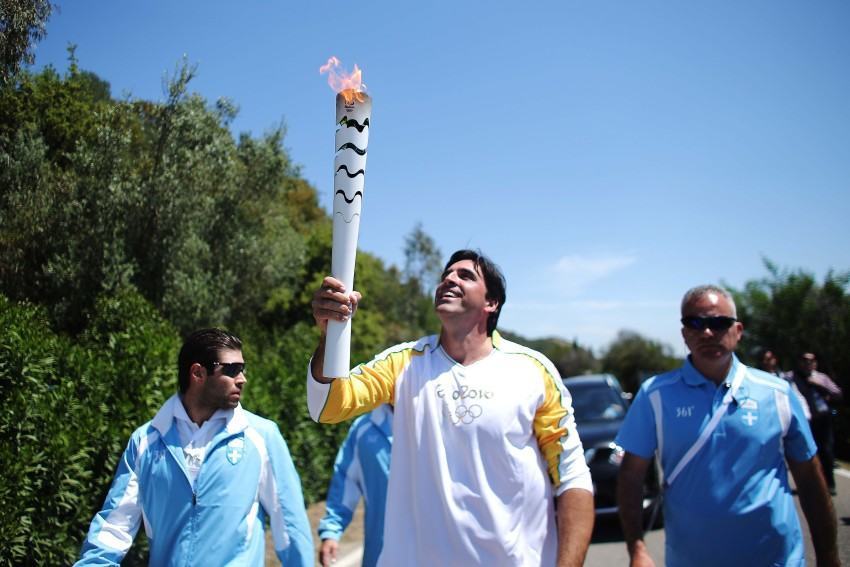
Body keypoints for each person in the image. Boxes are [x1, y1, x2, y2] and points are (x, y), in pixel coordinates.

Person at [307, 249, 594, 566]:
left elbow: (573, 479)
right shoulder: (405, 363)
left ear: (491, 303)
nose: (449, 280)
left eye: (465, 275)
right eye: (446, 275)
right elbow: (328, 405)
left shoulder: (532, 371)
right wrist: (330, 335)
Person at [616, 285, 839, 567]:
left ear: (738, 330)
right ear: (684, 334)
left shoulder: (778, 393)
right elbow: (631, 476)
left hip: (776, 559)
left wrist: (829, 557)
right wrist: (637, 548)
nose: (707, 333)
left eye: (718, 323)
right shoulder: (655, 395)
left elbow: (809, 478)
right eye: (695, 323)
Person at [76, 328, 313, 566]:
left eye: (242, 368)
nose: (242, 378)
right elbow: (114, 527)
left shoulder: (262, 436)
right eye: (231, 370)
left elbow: (290, 524)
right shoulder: (146, 441)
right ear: (198, 373)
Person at [318, 404, 392, 567]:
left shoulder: (435, 424)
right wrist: (332, 530)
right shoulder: (363, 430)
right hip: (379, 554)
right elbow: (345, 481)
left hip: (433, 552)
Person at [790, 352, 843, 495]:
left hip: (823, 418)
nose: (808, 363)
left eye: (811, 361)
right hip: (804, 420)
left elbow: (838, 393)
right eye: (804, 360)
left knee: (826, 450)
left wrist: (821, 387)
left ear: (815, 363)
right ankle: (811, 483)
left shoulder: (821, 378)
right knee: (807, 451)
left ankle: (829, 483)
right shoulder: (791, 378)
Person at [758, 347, 811, 419]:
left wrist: (806, 414)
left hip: (790, 414)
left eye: (770, 358)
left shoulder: (785, 378)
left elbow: (797, 396)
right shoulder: (760, 380)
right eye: (765, 359)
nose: (767, 362)